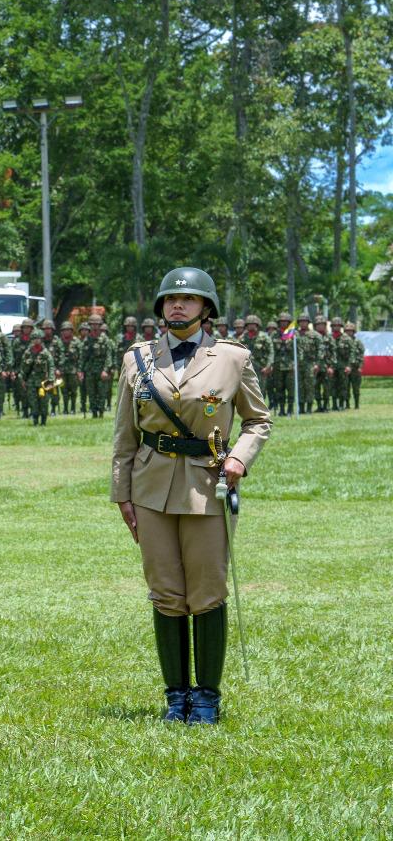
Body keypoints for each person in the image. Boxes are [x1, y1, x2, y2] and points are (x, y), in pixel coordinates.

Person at [112, 268, 271, 725]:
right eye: (170, 299)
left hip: (207, 485)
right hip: (150, 488)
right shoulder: (137, 359)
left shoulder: (232, 358)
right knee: (165, 592)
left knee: (206, 590)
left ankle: (207, 697)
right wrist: (121, 493)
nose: (177, 306)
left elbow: (258, 421)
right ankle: (175, 695)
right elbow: (125, 435)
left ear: (206, 308)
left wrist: (240, 459)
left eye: (188, 299)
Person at [81, 316, 114, 418]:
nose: (94, 327)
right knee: (91, 392)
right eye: (92, 325)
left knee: (101, 392)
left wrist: (106, 370)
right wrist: (80, 371)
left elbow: (109, 357)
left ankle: (101, 412)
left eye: (96, 325)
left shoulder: (105, 340)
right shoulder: (87, 340)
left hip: (101, 371)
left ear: (100, 326)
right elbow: (83, 357)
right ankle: (94, 412)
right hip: (90, 370)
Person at [20, 334, 55, 426]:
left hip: (44, 381)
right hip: (31, 381)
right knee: (33, 401)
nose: (36, 340)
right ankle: (35, 420)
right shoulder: (28, 352)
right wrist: (23, 379)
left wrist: (51, 380)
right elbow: (23, 367)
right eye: (34, 339)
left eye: (38, 339)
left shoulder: (46, 353)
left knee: (44, 401)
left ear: (41, 340)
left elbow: (51, 366)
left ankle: (43, 421)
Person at [50, 321, 82, 416]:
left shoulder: (77, 342)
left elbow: (81, 357)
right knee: (63, 391)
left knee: (73, 391)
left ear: (71, 331)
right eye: (64, 330)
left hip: (73, 371)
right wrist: (56, 369)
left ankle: (72, 408)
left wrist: (79, 370)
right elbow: (53, 358)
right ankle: (65, 409)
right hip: (61, 371)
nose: (66, 332)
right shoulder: (57, 343)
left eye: (68, 330)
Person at [343, 321, 363, 409]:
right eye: (347, 331)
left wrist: (360, 367)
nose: (348, 332)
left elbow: (361, 355)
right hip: (346, 368)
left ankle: (356, 404)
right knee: (346, 387)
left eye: (350, 331)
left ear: (354, 331)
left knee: (356, 388)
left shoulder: (358, 342)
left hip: (355, 368)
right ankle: (347, 404)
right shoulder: (342, 342)